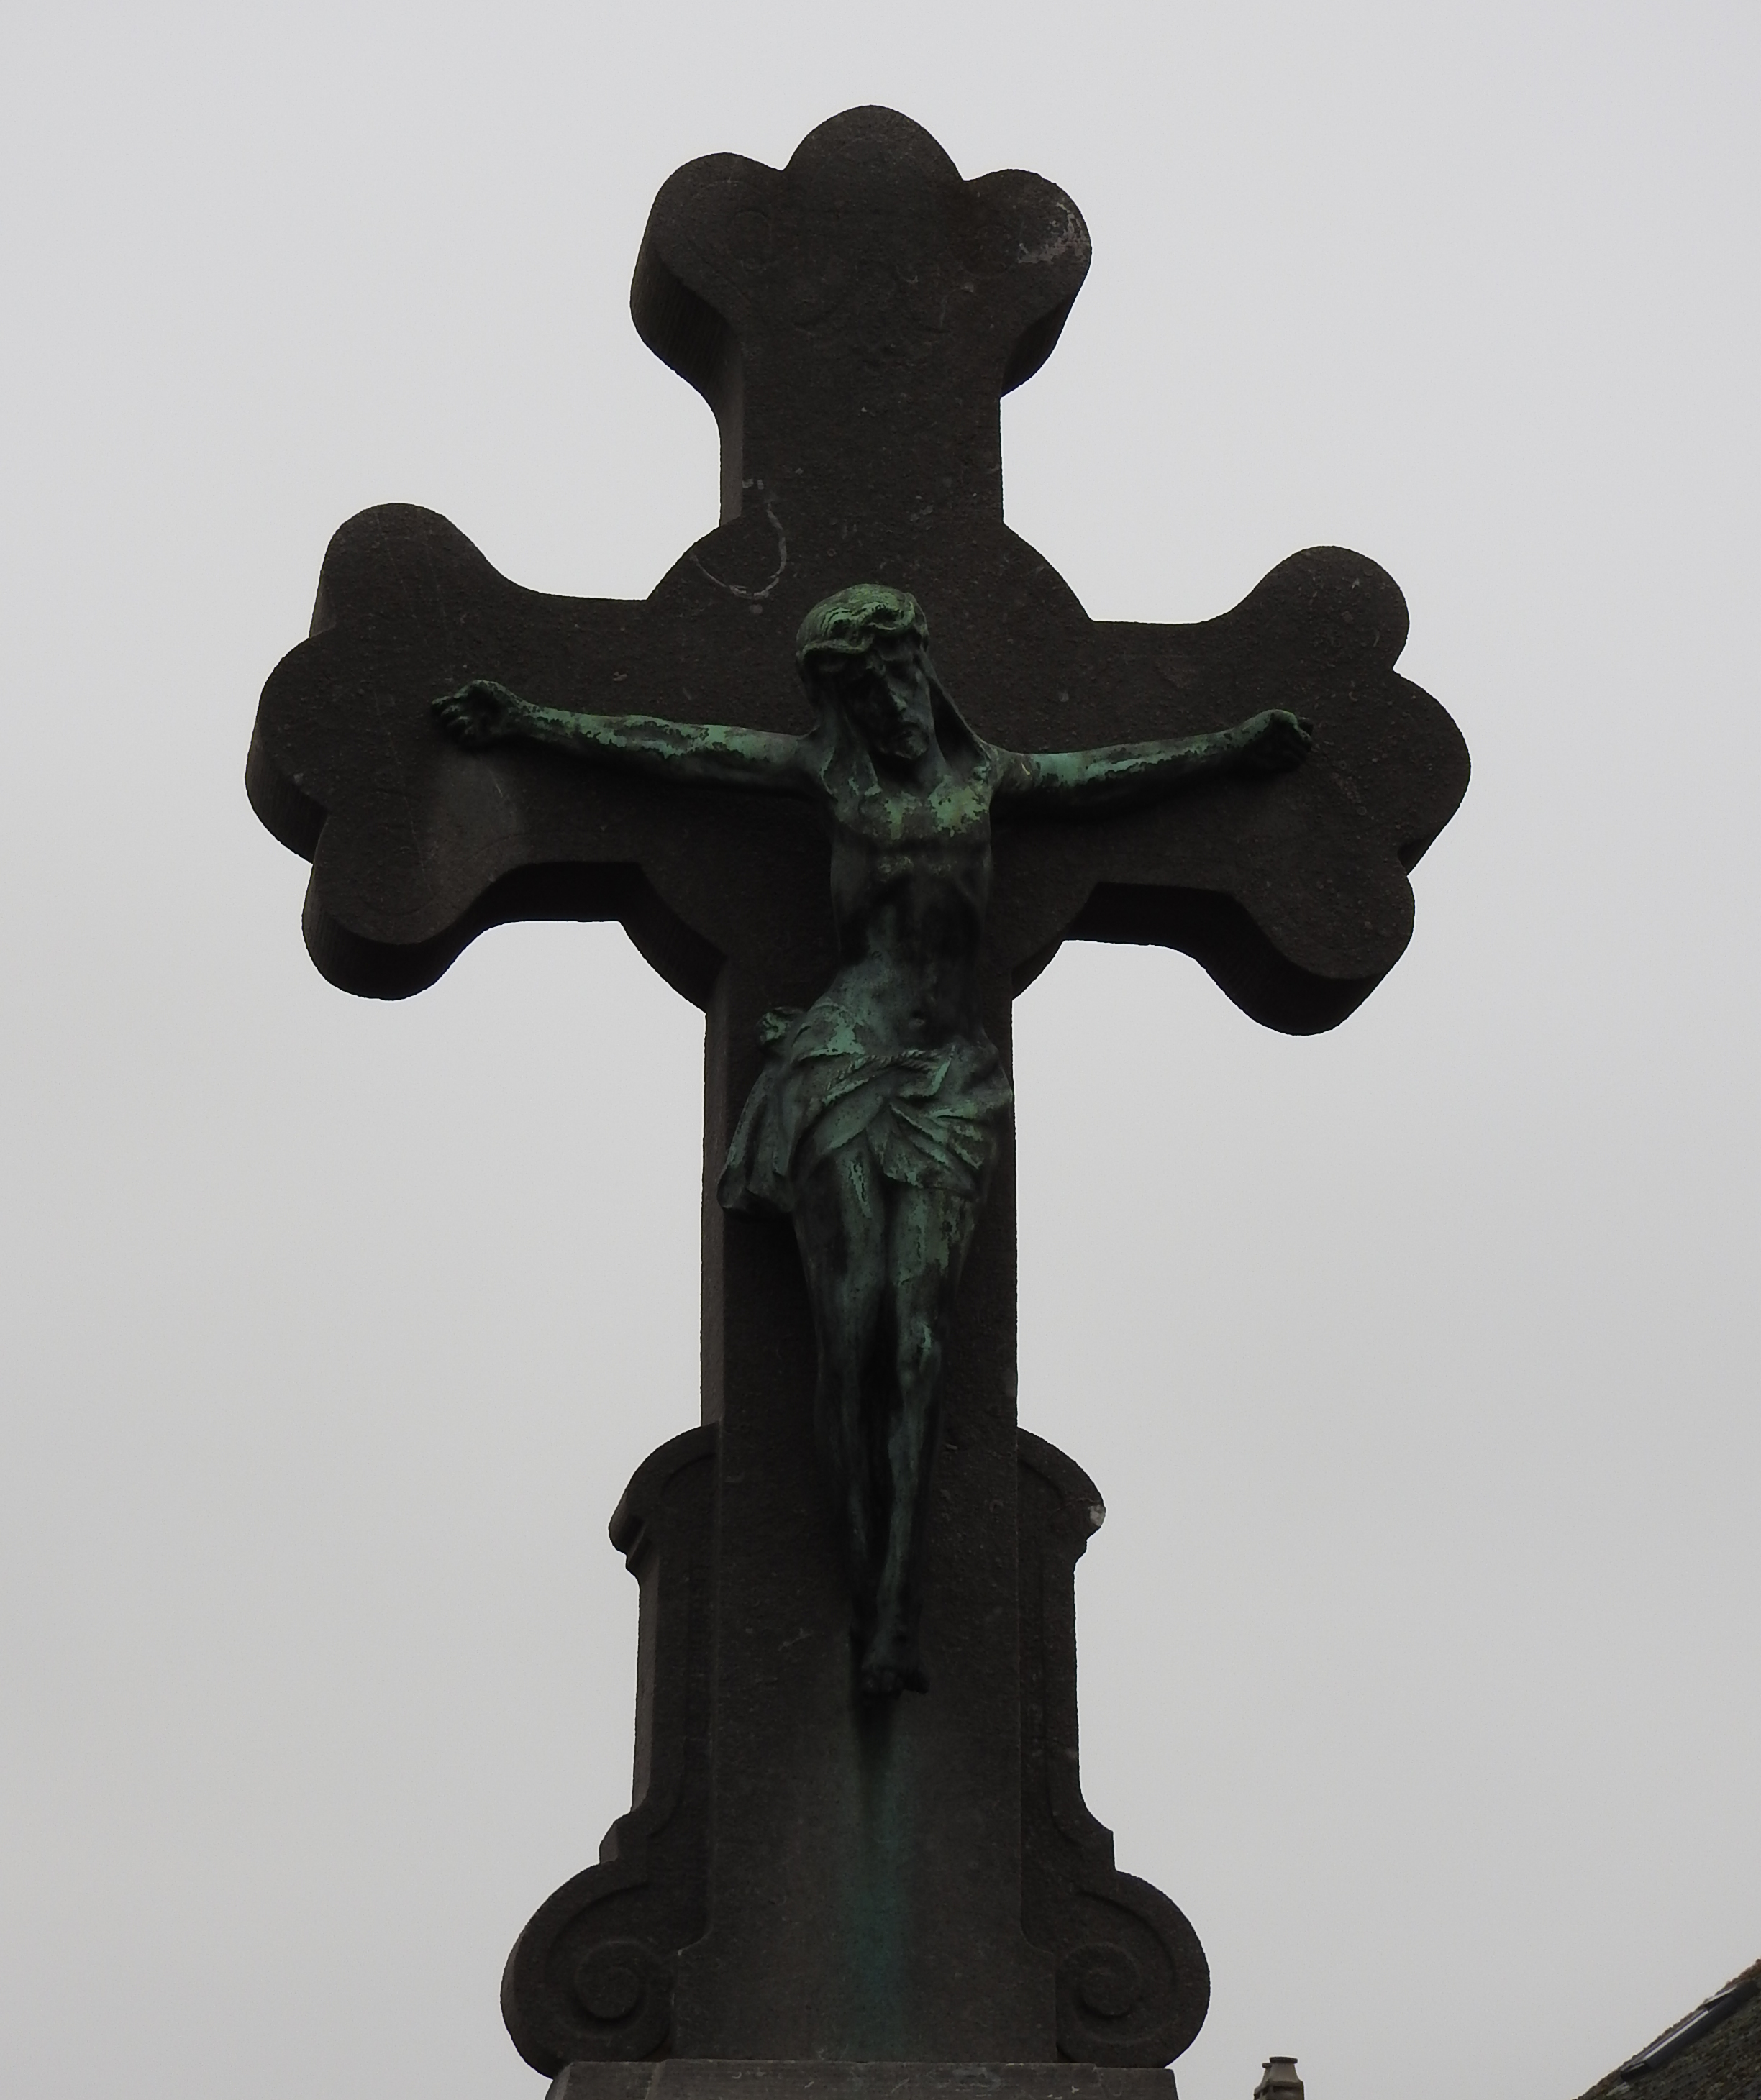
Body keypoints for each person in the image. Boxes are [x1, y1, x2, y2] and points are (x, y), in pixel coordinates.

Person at [434, 584, 1311, 1698]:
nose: (889, 706)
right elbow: (668, 748)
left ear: (923, 674)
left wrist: (1235, 748)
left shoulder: (990, 781)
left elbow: (1118, 775)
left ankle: (896, 1594)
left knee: (917, 1345)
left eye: (896, 679)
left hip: (950, 1084)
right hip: (844, 1064)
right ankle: (875, 1609)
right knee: (850, 1336)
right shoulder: (824, 777)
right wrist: (525, 723)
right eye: (862, 692)